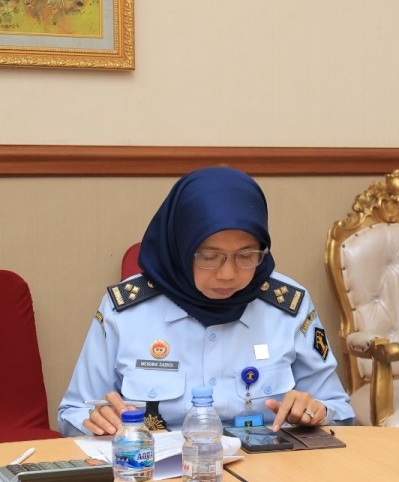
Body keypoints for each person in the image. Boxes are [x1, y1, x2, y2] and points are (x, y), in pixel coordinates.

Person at [58, 166, 353, 435]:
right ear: (180, 248)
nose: (228, 274)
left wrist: (317, 411)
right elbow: (73, 411)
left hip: (270, 472)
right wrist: (95, 420)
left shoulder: (288, 306)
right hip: (159, 474)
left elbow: (339, 410)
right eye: (209, 257)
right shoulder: (125, 310)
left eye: (246, 256)